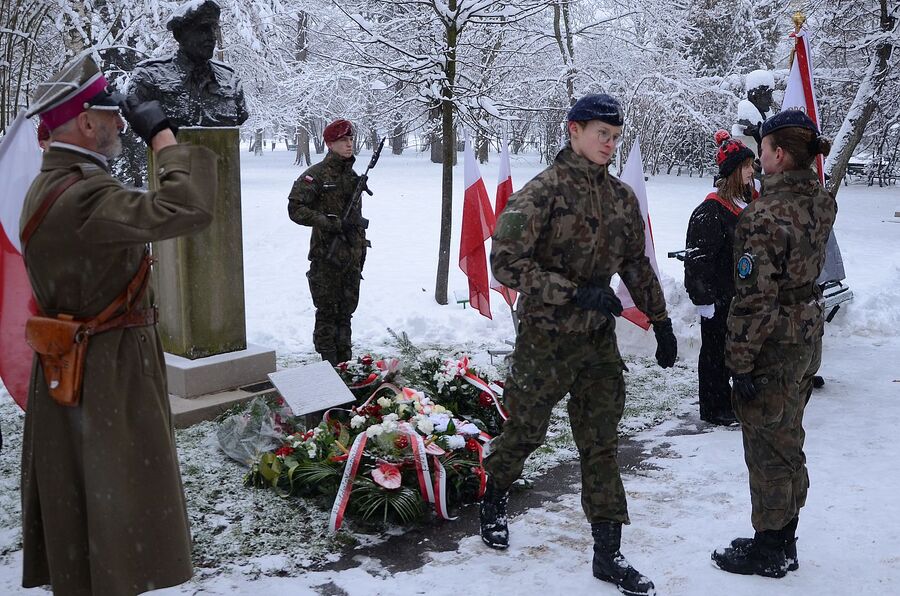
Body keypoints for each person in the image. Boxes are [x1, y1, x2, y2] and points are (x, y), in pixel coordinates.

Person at [19, 55, 217, 595]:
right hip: (106, 373)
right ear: (86, 122)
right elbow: (188, 208)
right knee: (117, 496)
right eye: (111, 116)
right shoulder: (84, 195)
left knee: (86, 499)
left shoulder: (53, 183)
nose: (119, 126)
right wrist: (163, 138)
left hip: (76, 365)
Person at [481, 93, 677, 596]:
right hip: (544, 341)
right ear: (574, 131)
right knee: (525, 432)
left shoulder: (620, 199)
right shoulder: (541, 193)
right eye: (600, 134)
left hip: (596, 344)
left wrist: (661, 320)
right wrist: (572, 291)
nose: (609, 144)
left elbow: (636, 264)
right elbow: (504, 264)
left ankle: (607, 552)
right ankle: (494, 495)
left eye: (615, 136)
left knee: (601, 444)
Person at [712, 109, 836, 578]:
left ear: (778, 155)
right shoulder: (822, 202)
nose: (758, 157)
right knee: (790, 437)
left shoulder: (761, 217)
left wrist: (739, 363)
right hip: (806, 333)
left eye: (762, 149)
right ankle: (784, 536)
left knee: (766, 443)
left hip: (773, 342)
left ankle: (770, 549)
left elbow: (755, 300)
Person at [684, 130, 756, 426]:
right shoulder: (710, 211)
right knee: (714, 354)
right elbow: (698, 260)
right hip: (718, 298)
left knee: (732, 351)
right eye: (747, 166)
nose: (753, 171)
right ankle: (713, 407)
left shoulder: (746, 203)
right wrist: (703, 299)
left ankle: (729, 400)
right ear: (734, 171)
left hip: (739, 297)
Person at [287, 119, 368, 365]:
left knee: (346, 313)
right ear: (330, 144)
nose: (349, 144)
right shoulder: (316, 175)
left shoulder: (352, 176)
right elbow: (295, 208)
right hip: (327, 257)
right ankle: (328, 363)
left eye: (350, 139)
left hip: (350, 258)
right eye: (343, 140)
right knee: (327, 313)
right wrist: (328, 222)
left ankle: (345, 363)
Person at [128, 0, 249, 127]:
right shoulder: (149, 76)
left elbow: (241, 117)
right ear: (179, 35)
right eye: (203, 29)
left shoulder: (230, 79)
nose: (212, 36)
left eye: (214, 29)